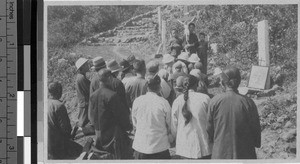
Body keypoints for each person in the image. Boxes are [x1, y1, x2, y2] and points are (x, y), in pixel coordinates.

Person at [207, 67, 261, 159]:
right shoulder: (248, 102)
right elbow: (255, 128)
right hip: (244, 153)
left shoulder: (214, 101)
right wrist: (256, 143)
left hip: (221, 153)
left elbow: (209, 129)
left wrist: (213, 142)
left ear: (223, 82)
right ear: (239, 82)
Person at [88, 69, 132, 159]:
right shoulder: (112, 95)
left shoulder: (93, 95)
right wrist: (128, 127)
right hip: (112, 135)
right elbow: (122, 116)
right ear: (109, 78)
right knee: (123, 154)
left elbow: (91, 116)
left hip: (98, 132)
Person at [131, 74, 173, 159]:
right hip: (160, 147)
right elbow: (170, 124)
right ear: (159, 87)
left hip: (141, 146)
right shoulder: (163, 102)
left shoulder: (138, 101)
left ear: (147, 87)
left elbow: (135, 122)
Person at [171, 75, 212, 159]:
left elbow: (173, 127)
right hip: (203, 146)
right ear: (196, 85)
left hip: (184, 148)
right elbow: (211, 122)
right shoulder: (205, 99)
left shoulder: (177, 101)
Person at [48, 82, 82, 159]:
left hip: (47, 143)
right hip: (57, 145)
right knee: (82, 150)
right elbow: (66, 130)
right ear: (59, 91)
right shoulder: (59, 106)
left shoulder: (45, 103)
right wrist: (72, 132)